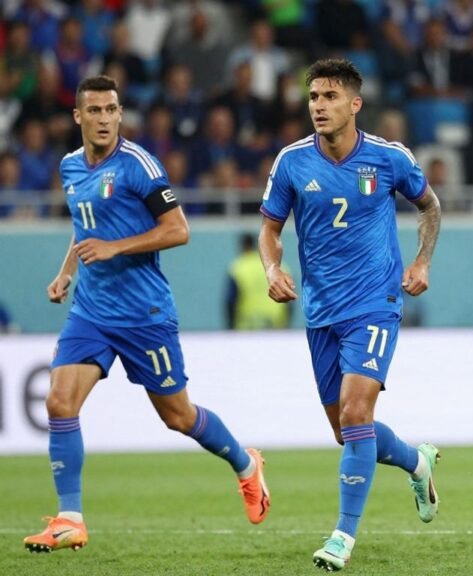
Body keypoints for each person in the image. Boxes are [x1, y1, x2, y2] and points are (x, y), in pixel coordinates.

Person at [25, 76, 270, 554]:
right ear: (78, 117)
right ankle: (70, 519)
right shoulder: (70, 167)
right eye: (93, 111)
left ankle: (246, 464)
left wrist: (116, 248)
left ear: (120, 114)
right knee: (59, 403)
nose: (103, 119)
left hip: (144, 313)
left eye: (111, 110)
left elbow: (178, 231)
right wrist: (66, 272)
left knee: (178, 417)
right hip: (92, 311)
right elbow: (85, 229)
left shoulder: (139, 165)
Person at [258, 58, 443, 572]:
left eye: (330, 97)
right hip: (320, 311)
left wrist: (422, 259)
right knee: (347, 431)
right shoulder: (292, 162)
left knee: (358, 413)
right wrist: (273, 268)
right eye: (314, 96)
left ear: (355, 104)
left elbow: (430, 206)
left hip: (375, 303)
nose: (319, 105)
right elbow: (270, 229)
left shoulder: (388, 158)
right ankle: (416, 461)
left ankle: (342, 535)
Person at [226, 233, 290, 329]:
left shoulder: (238, 268)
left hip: (247, 327)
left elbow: (230, 301)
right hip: (275, 326)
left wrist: (231, 327)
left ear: (243, 246)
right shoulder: (280, 267)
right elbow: (289, 300)